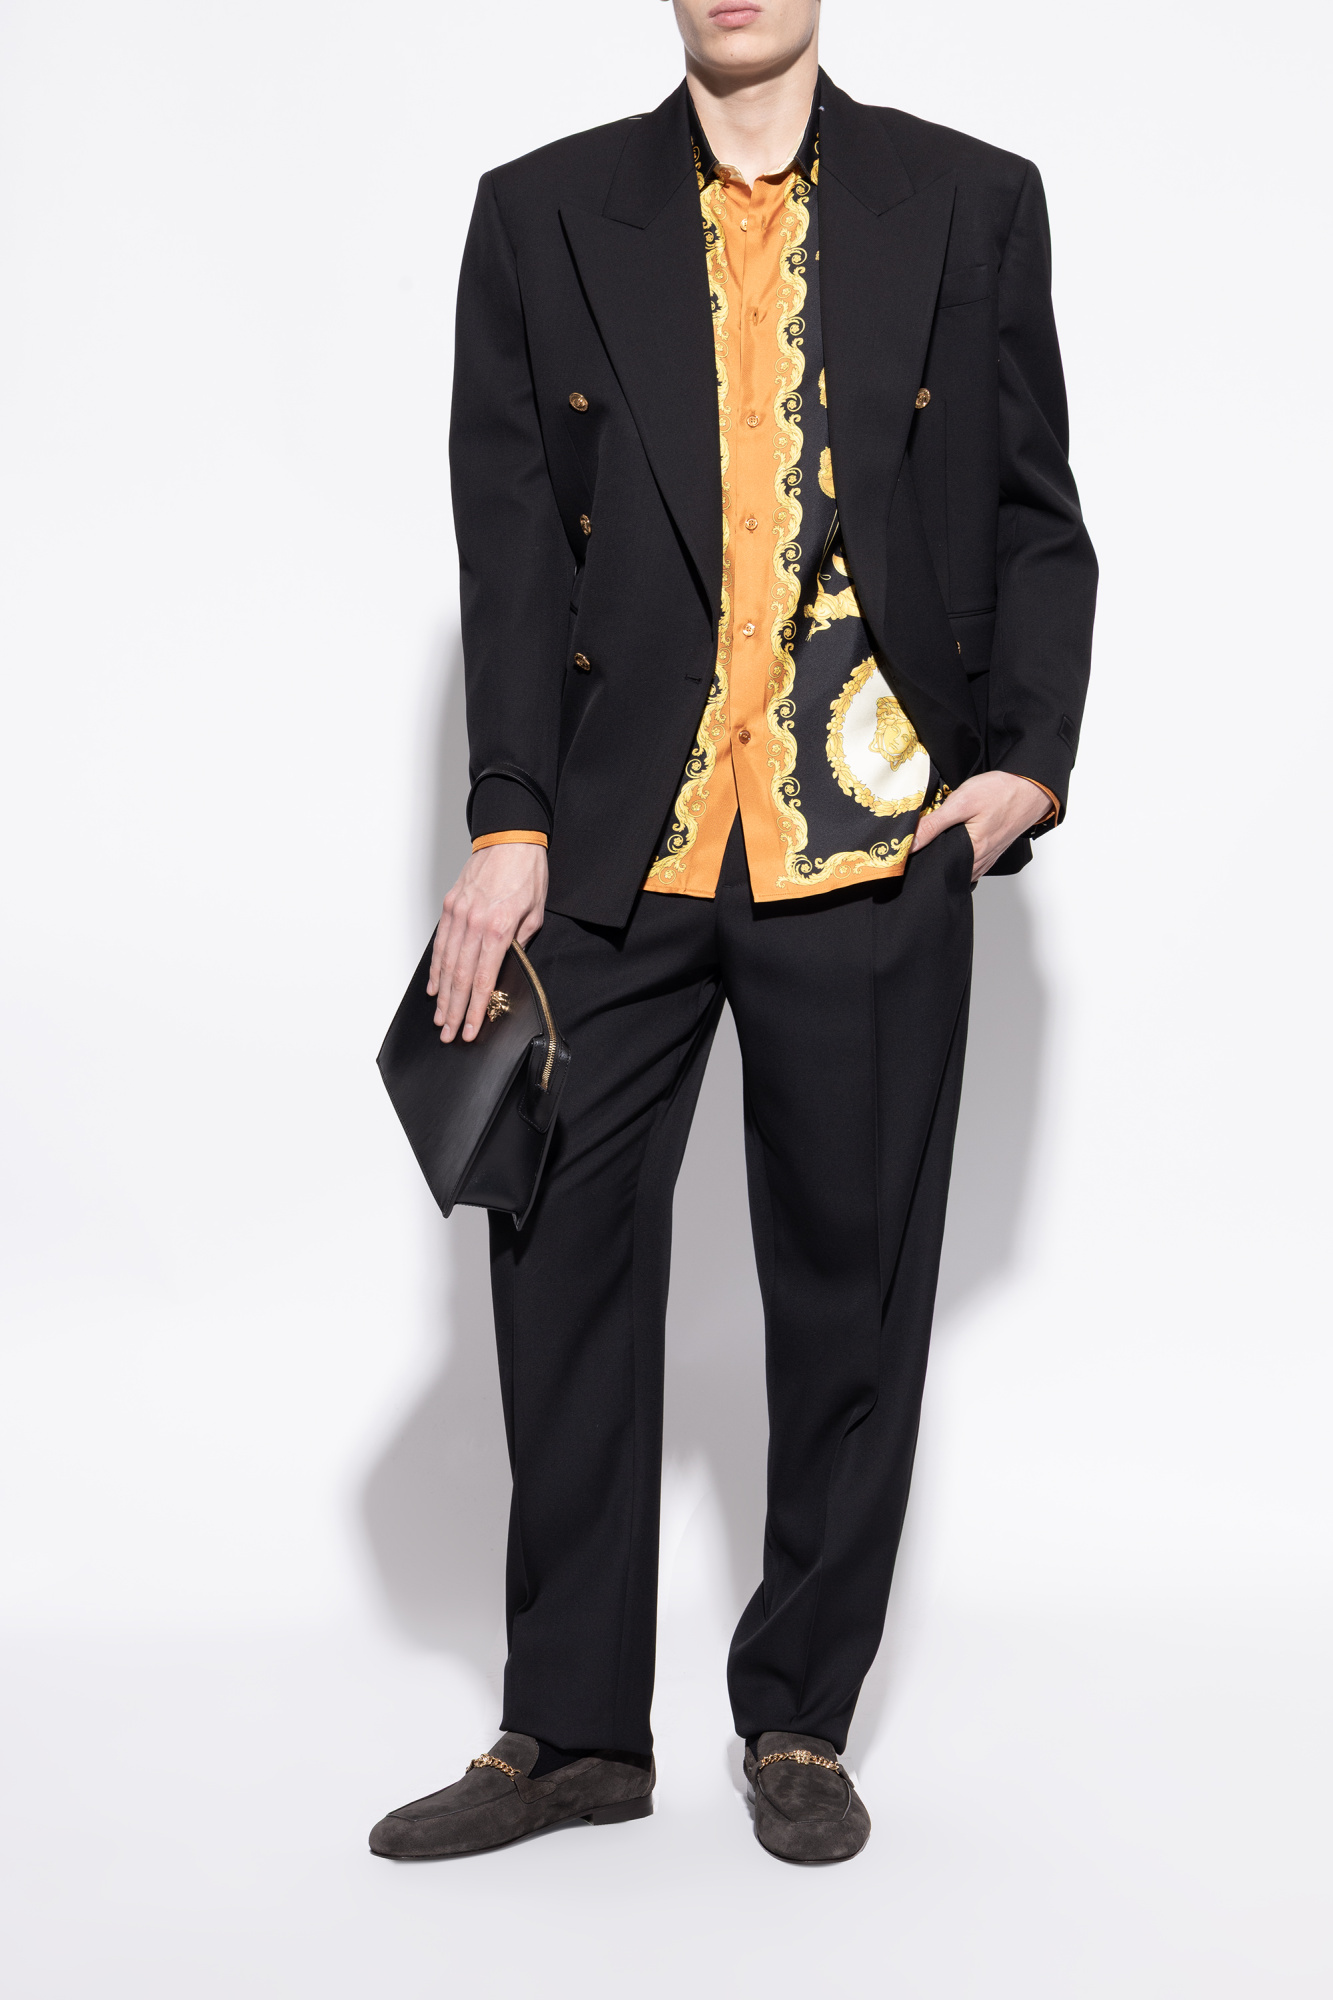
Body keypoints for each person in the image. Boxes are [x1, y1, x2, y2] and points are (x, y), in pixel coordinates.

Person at [370, 0, 1095, 1865]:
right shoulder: (540, 212)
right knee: (558, 1267)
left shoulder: (969, 200)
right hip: (621, 840)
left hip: (871, 829)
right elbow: (508, 543)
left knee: (852, 1292)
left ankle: (798, 1722)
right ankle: (571, 1734)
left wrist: (1023, 763)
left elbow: (1034, 511)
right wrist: (507, 817)